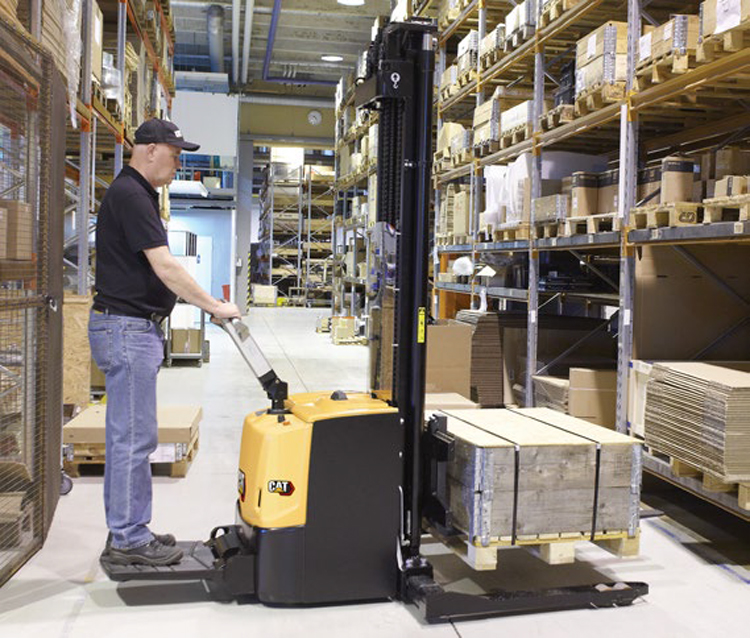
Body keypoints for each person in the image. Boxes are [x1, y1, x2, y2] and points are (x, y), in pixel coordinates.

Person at [88, 118, 241, 566]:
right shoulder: (132, 196)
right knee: (133, 440)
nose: (178, 164)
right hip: (127, 330)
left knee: (132, 437)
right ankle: (129, 539)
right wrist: (214, 306)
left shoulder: (136, 194)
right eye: (174, 155)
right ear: (150, 150)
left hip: (130, 329)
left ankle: (129, 530)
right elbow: (166, 267)